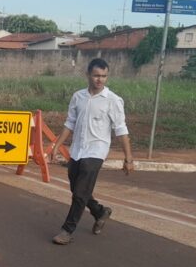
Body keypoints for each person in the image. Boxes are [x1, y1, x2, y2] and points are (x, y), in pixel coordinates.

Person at [49, 58, 134, 245]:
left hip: (97, 150)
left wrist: (128, 158)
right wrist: (57, 146)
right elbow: (69, 123)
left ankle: (67, 230)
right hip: (78, 149)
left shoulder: (113, 100)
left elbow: (121, 130)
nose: (100, 80)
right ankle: (99, 211)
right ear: (88, 74)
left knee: (80, 193)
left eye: (104, 76)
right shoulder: (78, 97)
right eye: (96, 75)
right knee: (76, 187)